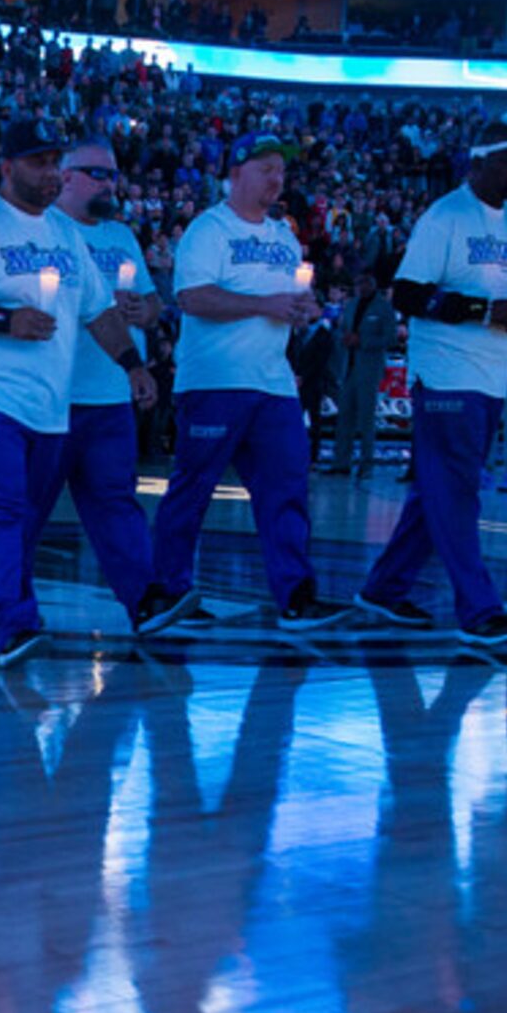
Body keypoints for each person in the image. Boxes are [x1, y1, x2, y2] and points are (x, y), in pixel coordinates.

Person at [0, 118, 158, 664]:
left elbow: (98, 310)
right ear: (7, 167)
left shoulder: (66, 234)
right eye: (38, 162)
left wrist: (132, 366)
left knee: (18, 517)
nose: (50, 173)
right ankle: (14, 624)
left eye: (54, 162)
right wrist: (3, 319)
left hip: (46, 403)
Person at [356, 122, 507, 645]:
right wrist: (486, 309)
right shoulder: (445, 217)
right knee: (458, 489)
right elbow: (409, 294)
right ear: (476, 164)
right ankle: (477, 606)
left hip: (492, 370)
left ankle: (383, 589)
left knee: (437, 489)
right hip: (446, 370)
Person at [148, 130, 334, 635]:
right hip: (215, 381)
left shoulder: (283, 236)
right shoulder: (209, 230)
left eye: (281, 169)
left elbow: (287, 301)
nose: (277, 178)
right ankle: (169, 590)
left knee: (287, 488)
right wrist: (265, 305)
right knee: (193, 488)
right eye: (266, 168)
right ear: (235, 174)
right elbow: (192, 298)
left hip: (272, 383)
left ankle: (296, 594)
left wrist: (302, 309)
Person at [43, 137, 173, 638]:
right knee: (26, 512)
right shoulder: (47, 230)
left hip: (109, 394)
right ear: (67, 176)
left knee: (117, 503)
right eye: (97, 174)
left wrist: (148, 311)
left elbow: (149, 300)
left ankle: (144, 602)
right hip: (54, 396)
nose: (108, 184)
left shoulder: (121, 236)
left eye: (113, 175)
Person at [327, 272, 397, 477]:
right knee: (344, 417)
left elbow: (391, 338)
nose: (362, 286)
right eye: (358, 282)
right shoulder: (351, 305)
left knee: (366, 419)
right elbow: (341, 330)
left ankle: (367, 464)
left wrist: (363, 341)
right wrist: (344, 339)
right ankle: (341, 462)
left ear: (373, 284)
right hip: (348, 367)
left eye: (365, 282)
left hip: (369, 368)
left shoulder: (383, 308)